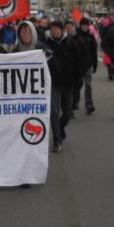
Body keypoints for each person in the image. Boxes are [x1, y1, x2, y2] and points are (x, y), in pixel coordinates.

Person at [16, 20, 61, 151]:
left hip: (46, 86)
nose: (25, 34)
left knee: (53, 112)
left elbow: (55, 68)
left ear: (33, 32)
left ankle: (57, 140)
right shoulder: (16, 51)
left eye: (28, 31)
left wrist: (57, 86)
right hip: (26, 89)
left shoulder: (43, 49)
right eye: (22, 31)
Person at [43, 21, 78, 152]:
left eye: (57, 29)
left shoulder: (70, 43)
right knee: (54, 112)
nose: (54, 31)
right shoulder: (45, 44)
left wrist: (77, 80)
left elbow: (77, 63)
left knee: (67, 113)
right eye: (52, 29)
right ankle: (57, 140)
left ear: (62, 30)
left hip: (67, 82)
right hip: (52, 83)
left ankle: (61, 127)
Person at [76, 17, 98, 115]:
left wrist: (95, 64)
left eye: (86, 25)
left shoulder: (91, 37)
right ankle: (75, 102)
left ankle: (89, 104)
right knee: (78, 85)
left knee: (88, 85)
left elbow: (94, 51)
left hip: (88, 65)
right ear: (80, 26)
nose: (85, 27)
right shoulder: (76, 37)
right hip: (78, 66)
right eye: (83, 25)